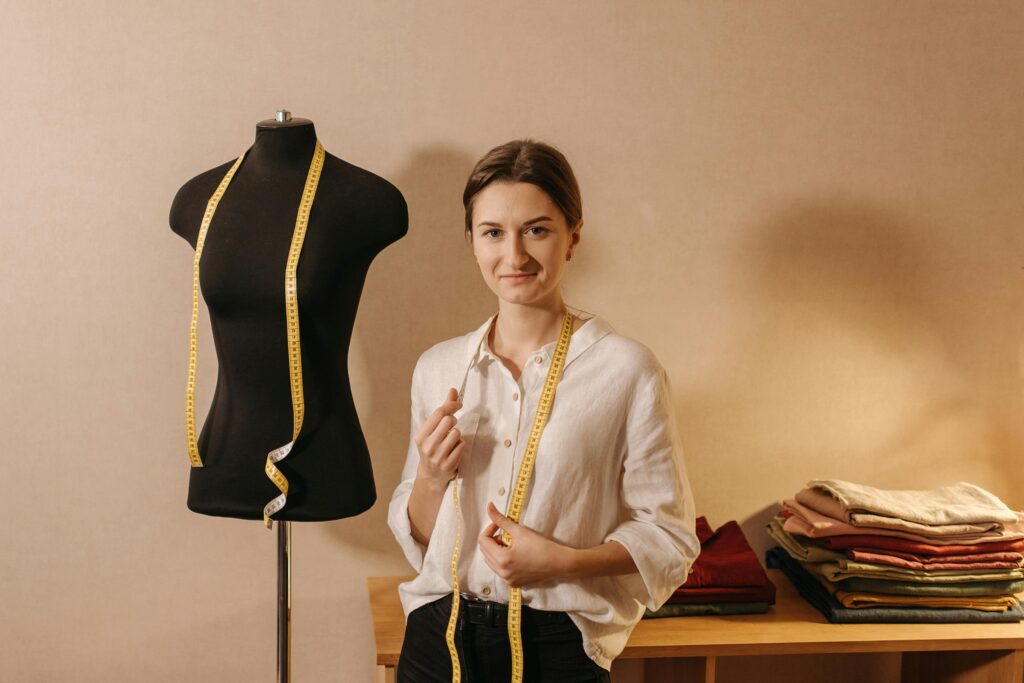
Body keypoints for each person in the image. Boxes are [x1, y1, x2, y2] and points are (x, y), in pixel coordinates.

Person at [387, 139, 699, 681]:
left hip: (556, 648)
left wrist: (561, 562)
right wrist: (432, 478)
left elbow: (669, 535)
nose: (514, 255)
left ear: (573, 236)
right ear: (472, 242)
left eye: (537, 229)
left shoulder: (627, 371)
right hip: (438, 639)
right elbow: (421, 534)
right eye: (493, 233)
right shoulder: (437, 369)